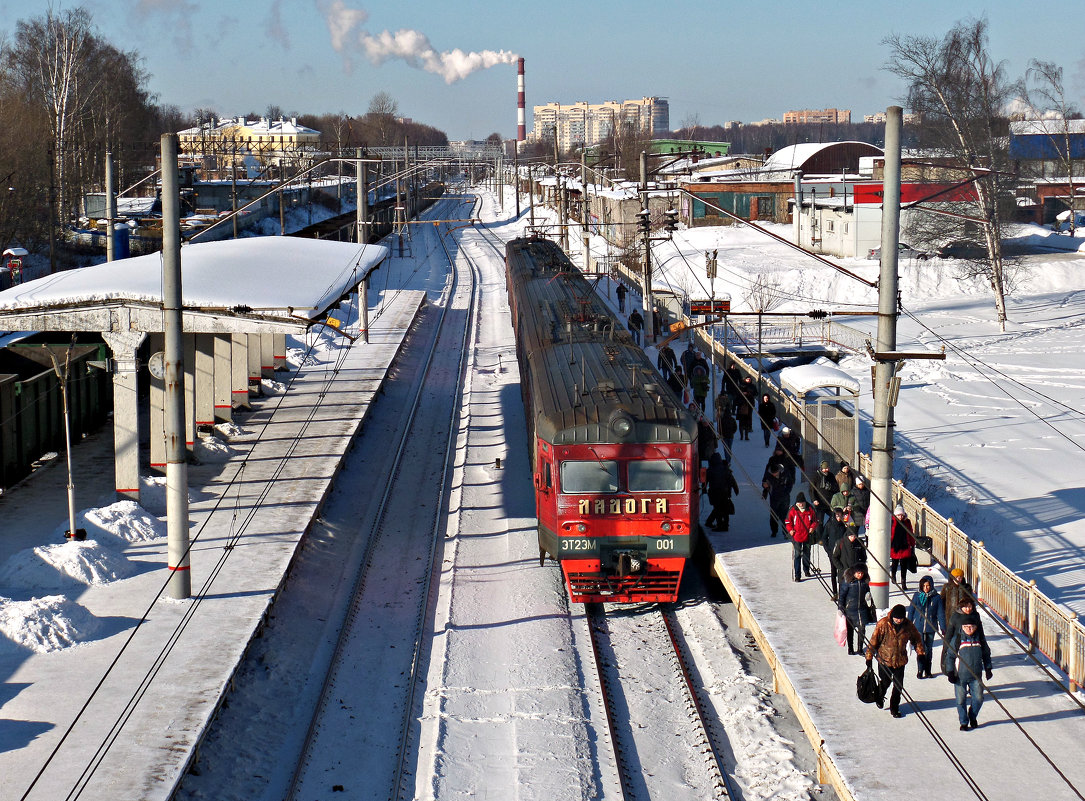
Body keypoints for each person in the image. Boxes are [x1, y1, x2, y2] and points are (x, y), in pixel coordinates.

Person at [866, 603, 925, 718]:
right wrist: (869, 657)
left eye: (901, 618)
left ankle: (894, 707)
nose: (898, 620)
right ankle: (879, 696)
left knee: (898, 686)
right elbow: (874, 641)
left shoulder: (908, 625)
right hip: (885, 660)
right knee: (885, 682)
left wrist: (920, 653)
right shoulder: (883, 624)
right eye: (896, 618)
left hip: (900, 661)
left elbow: (917, 639)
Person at [944, 619, 992, 730]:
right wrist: (950, 672)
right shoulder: (957, 639)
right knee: (960, 700)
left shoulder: (979, 639)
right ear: (962, 627)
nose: (969, 629)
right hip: (960, 676)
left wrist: (988, 668)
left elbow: (986, 654)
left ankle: (972, 715)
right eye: (966, 626)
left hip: (976, 676)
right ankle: (964, 722)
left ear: (976, 627)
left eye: (972, 626)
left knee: (979, 698)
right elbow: (950, 656)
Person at [907, 575, 946, 678]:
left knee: (928, 649)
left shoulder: (936, 598)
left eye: (928, 586)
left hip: (930, 627)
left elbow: (940, 613)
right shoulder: (917, 596)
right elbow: (911, 610)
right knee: (920, 648)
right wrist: (908, 625)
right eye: (924, 586)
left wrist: (943, 627)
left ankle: (928, 670)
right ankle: (920, 669)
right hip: (918, 626)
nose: (926, 588)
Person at [838, 563, 875, 654]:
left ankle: (860, 648)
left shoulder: (864, 582)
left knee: (862, 629)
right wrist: (840, 608)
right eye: (858, 573)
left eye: (862, 573)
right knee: (850, 630)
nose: (860, 575)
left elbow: (868, 592)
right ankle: (850, 648)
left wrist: (868, 596)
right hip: (850, 609)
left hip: (862, 609)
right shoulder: (848, 582)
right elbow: (842, 596)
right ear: (854, 573)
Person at [785, 492, 817, 581]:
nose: (801, 504)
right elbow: (788, 522)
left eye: (802, 502)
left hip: (807, 536)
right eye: (799, 503)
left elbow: (815, 521)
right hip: (797, 536)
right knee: (797, 555)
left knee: (807, 554)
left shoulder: (810, 509)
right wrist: (790, 530)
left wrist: (812, 528)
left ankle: (806, 570)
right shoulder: (793, 510)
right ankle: (797, 575)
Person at [704, 452, 739, 531]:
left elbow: (705, 482)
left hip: (714, 493)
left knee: (717, 508)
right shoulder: (725, 468)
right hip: (725, 493)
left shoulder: (710, 470)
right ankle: (725, 525)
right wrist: (735, 489)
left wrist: (704, 489)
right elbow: (731, 480)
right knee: (725, 509)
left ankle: (719, 525)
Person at [822, 507, 848, 599]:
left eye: (840, 515)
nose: (839, 517)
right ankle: (834, 592)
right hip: (832, 552)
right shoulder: (829, 525)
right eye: (837, 515)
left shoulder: (844, 525)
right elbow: (824, 538)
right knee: (833, 572)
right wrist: (828, 550)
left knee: (841, 572)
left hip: (842, 552)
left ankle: (842, 592)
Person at [889, 505, 916, 592]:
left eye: (902, 515)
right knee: (895, 563)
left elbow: (910, 533)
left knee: (904, 565)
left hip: (905, 546)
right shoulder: (892, 522)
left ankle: (903, 582)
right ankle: (893, 576)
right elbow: (890, 534)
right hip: (895, 546)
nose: (900, 517)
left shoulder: (907, 522)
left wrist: (912, 544)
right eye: (898, 515)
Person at [762, 463, 791, 538]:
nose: (774, 475)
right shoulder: (768, 474)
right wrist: (764, 486)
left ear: (779, 470)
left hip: (785, 497)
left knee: (784, 515)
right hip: (774, 497)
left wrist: (786, 492)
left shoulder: (785, 473)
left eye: (775, 473)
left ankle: (786, 532)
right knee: (774, 515)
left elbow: (790, 483)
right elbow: (764, 482)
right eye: (773, 474)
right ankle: (774, 531)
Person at [811, 460, 838, 527]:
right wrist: (814, 499)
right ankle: (820, 536)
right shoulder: (816, 476)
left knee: (834, 518)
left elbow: (836, 488)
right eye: (824, 468)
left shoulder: (831, 475)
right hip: (819, 502)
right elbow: (811, 490)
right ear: (821, 468)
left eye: (827, 468)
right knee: (819, 521)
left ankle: (827, 529)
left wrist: (830, 487)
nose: (826, 470)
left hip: (830, 502)